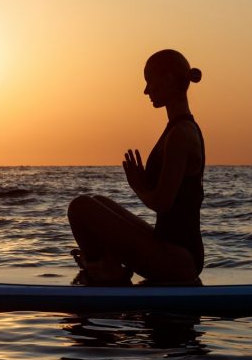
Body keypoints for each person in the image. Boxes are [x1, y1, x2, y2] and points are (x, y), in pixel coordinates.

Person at [68, 49, 205, 284]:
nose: (146, 90)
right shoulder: (178, 128)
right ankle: (105, 265)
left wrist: (138, 186)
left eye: (149, 81)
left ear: (169, 79)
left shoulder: (181, 135)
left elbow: (162, 202)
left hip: (177, 261)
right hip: (171, 250)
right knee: (96, 200)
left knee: (80, 207)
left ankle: (104, 270)